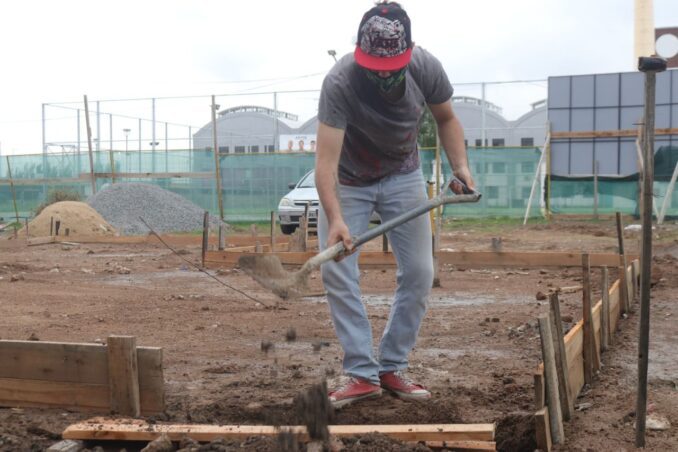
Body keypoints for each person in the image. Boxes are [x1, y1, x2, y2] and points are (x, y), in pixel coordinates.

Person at [315, 1, 475, 408]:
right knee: (338, 271)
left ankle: (391, 365)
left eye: (391, 66)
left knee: (421, 271)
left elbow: (446, 118)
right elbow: (325, 164)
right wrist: (335, 219)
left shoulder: (426, 68)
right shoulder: (340, 83)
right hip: (349, 181)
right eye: (374, 66)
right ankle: (361, 374)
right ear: (359, 50)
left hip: (403, 176)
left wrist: (460, 166)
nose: (383, 74)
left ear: (410, 50)